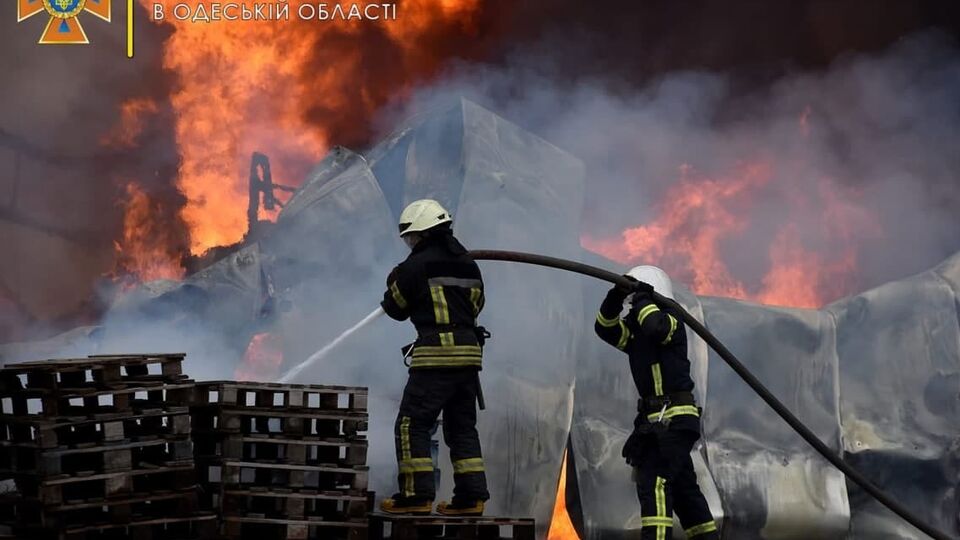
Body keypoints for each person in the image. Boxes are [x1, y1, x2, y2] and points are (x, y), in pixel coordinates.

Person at [379, 199, 490, 516]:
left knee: (411, 424)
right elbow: (477, 304)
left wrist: (394, 279)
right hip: (469, 356)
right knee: (461, 428)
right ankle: (471, 498)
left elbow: (394, 309)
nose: (409, 243)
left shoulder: (415, 266)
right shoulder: (469, 263)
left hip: (435, 357)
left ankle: (416, 495)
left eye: (411, 237)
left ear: (423, 233)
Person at [594, 266, 719, 539]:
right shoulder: (637, 333)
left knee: (655, 480)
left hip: (674, 418)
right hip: (657, 423)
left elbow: (656, 327)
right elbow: (603, 328)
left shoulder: (672, 318)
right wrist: (616, 296)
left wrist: (641, 298)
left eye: (635, 301)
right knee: (684, 490)